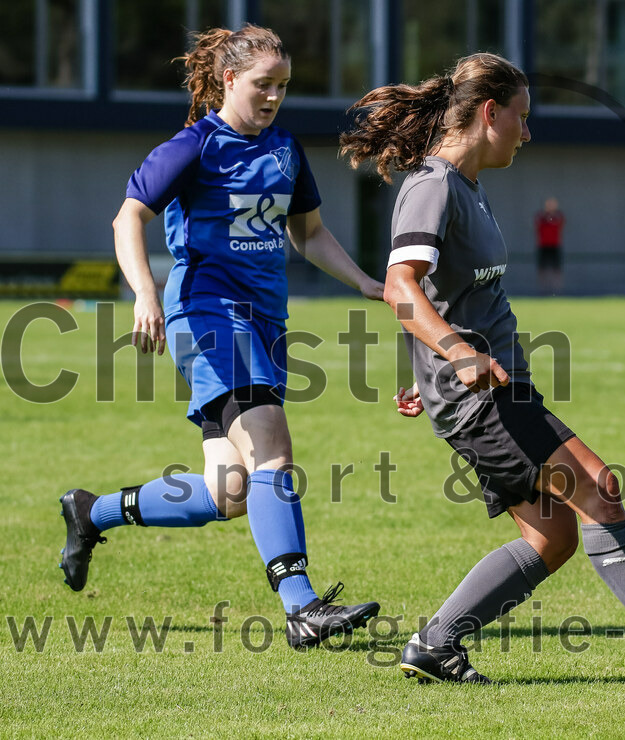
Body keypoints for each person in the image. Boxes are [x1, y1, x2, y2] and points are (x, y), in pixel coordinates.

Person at [339, 52, 625, 684]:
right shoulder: (433, 185)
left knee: (553, 539)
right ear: (489, 113)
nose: (528, 133)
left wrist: (428, 367)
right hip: (484, 399)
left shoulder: (466, 186)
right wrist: (458, 356)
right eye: (521, 118)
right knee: (599, 488)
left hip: (490, 389)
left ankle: (435, 644)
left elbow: (445, 298)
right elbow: (400, 287)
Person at [59, 24, 384, 650]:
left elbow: (308, 234)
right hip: (207, 313)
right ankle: (301, 606)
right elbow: (129, 216)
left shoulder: (286, 149)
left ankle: (91, 511)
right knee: (273, 447)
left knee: (230, 490)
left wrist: (365, 283)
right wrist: (146, 294)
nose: (273, 98)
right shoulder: (195, 145)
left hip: (265, 321)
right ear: (229, 80)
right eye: (263, 85)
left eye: (283, 87)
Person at [535, 197, 564, 294]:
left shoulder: (558, 216)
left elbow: (559, 223)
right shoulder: (541, 217)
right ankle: (543, 290)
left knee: (556, 269)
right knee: (542, 268)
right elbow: (538, 224)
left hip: (555, 246)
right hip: (543, 246)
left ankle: (557, 290)